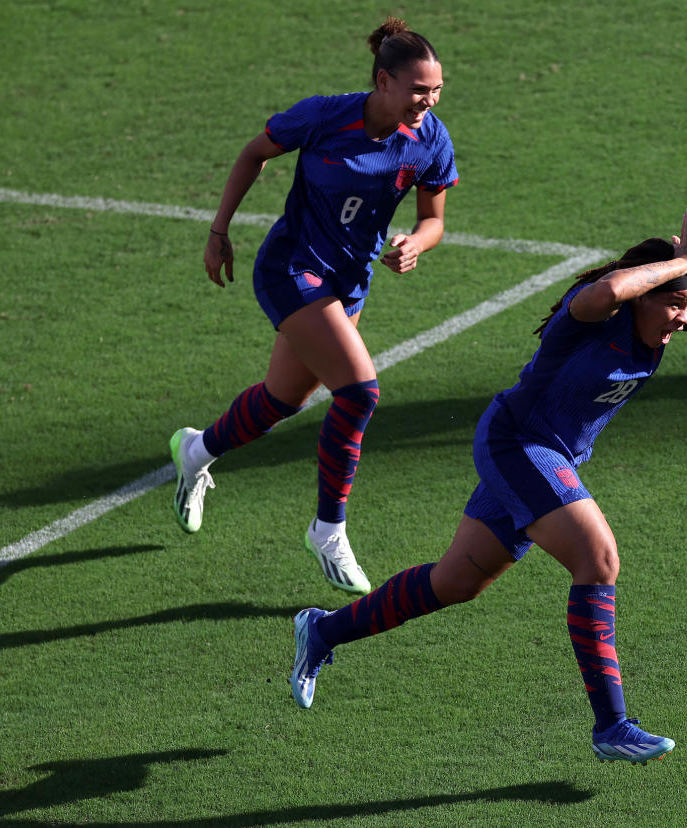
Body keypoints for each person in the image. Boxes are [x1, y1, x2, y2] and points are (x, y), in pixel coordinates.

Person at [288, 199, 687, 764]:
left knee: (455, 583)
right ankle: (612, 726)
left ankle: (322, 632)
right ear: (647, 292)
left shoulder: (661, 320)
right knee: (600, 558)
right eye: (677, 306)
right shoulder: (594, 315)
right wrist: (680, 260)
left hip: (548, 456)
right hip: (517, 444)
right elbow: (610, 291)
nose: (684, 319)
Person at [169, 17, 458, 595]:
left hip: (347, 284)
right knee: (360, 390)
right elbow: (255, 153)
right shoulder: (326, 115)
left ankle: (196, 450)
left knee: (282, 400)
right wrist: (218, 230)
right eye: (418, 90)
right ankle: (328, 531)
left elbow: (434, 221)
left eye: (437, 91)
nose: (428, 101)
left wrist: (413, 245)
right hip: (290, 270)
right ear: (383, 82)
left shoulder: (430, 139)